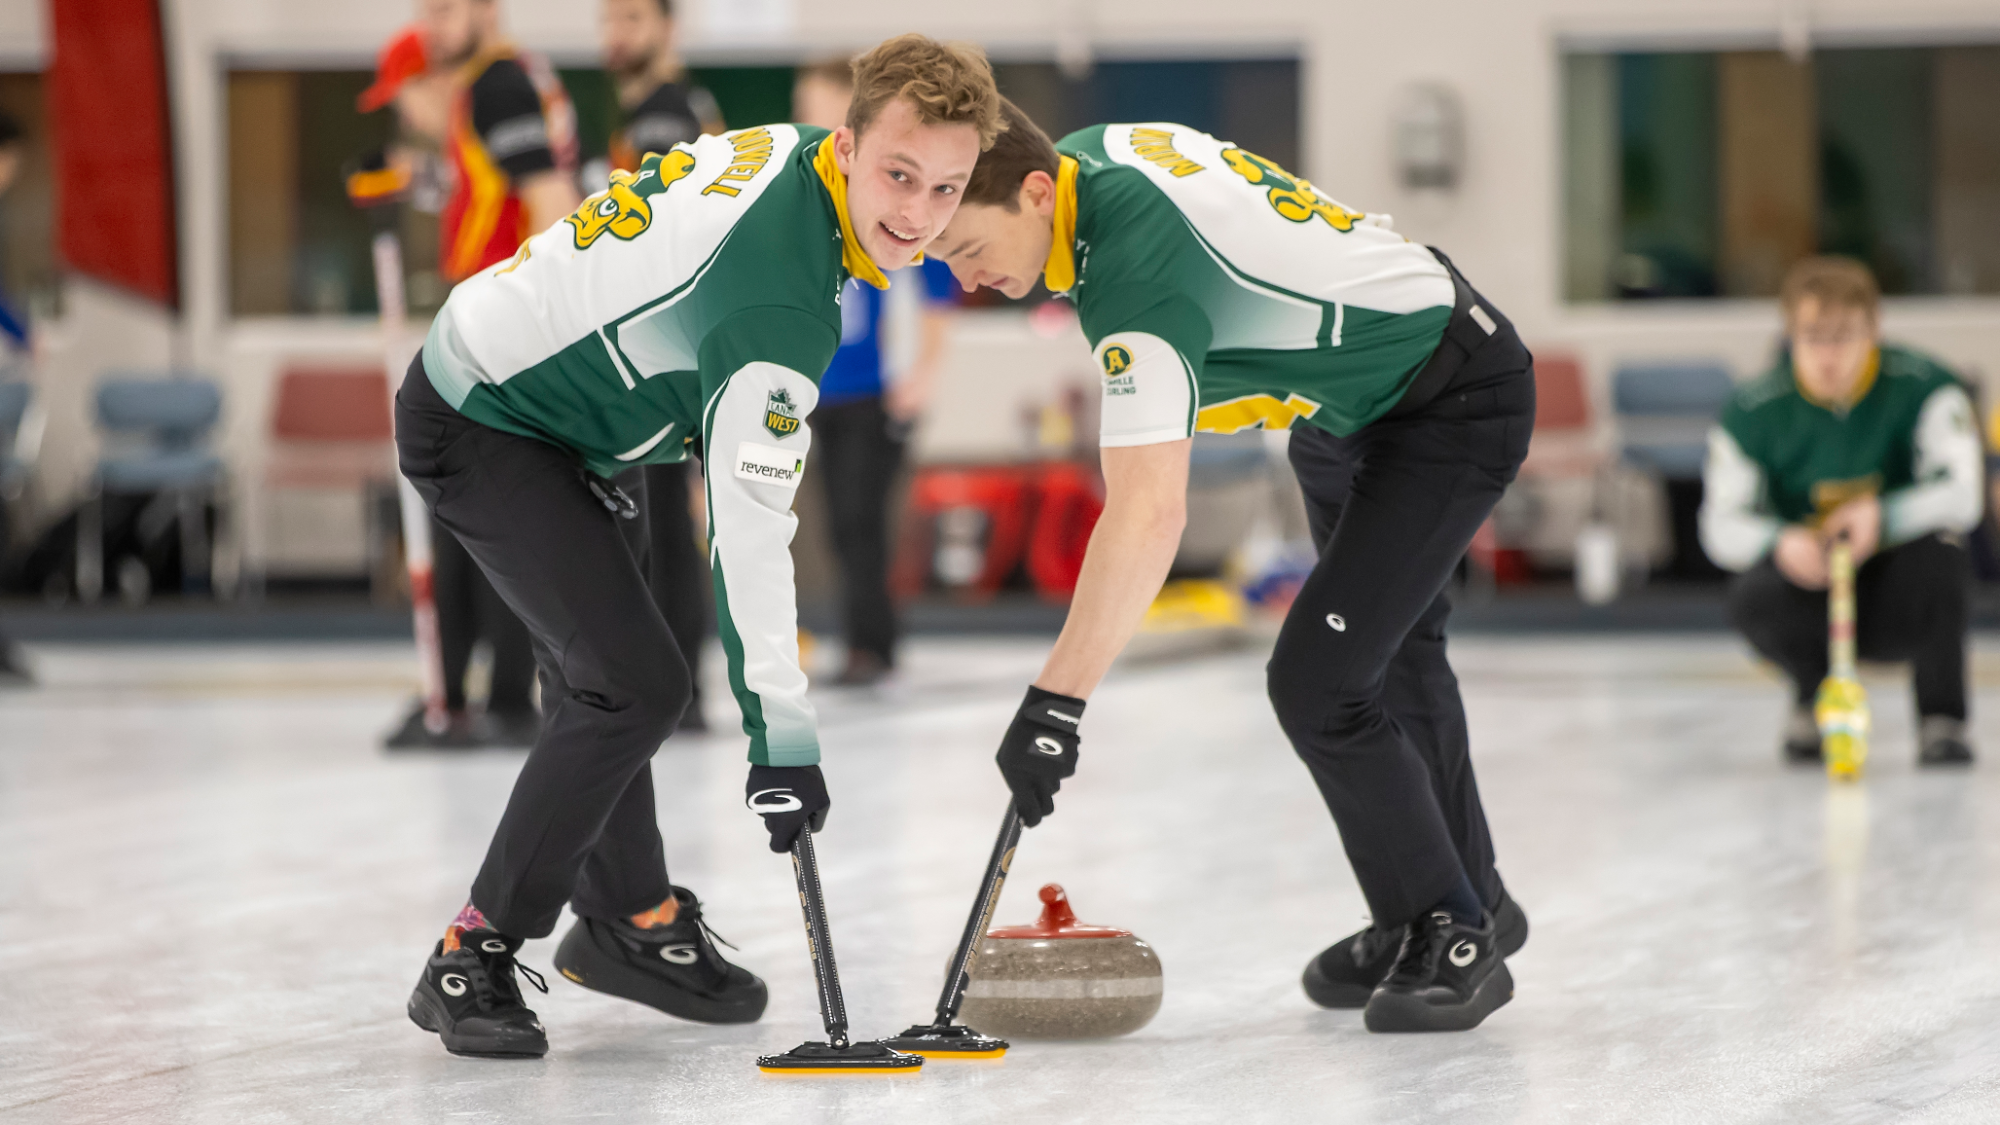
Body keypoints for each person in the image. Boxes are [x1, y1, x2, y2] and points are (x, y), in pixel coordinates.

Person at [395, 34, 1000, 1058]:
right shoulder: (782, 298)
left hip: (576, 411)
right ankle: (472, 952)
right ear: (848, 147)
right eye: (899, 175)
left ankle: (630, 922)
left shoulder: (797, 159)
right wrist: (784, 739)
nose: (917, 213)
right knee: (631, 683)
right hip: (490, 414)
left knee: (608, 670)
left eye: (945, 189)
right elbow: (749, 533)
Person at [927, 102, 1531, 1033]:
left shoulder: (1130, 275)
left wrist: (1056, 701)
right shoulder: (1091, 157)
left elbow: (1146, 511)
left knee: (1320, 684)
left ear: (1035, 192)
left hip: (1449, 398)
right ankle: (1450, 900)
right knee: (1393, 657)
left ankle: (1452, 932)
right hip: (1350, 407)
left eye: (966, 245)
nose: (960, 273)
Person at [371, 3, 583, 746]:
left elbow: (555, 212)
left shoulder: (498, 88)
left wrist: (549, 335)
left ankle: (497, 698)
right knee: (477, 511)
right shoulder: (497, 87)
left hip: (507, 334)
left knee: (481, 510)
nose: (432, 23)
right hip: (496, 322)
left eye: (447, 7)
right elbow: (490, 193)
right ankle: (485, 696)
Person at [1701, 256, 1980, 767]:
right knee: (1751, 594)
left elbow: (1965, 496)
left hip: (1898, 576)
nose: (1829, 355)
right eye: (1813, 336)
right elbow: (1719, 526)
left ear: (1874, 329)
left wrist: (1885, 517)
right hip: (1813, 579)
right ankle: (1812, 697)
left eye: (1844, 335)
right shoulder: (1753, 410)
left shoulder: (1926, 386)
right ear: (1789, 334)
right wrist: (1779, 541)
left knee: (1945, 551)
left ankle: (1943, 718)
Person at [793, 60, 961, 685]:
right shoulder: (808, 195)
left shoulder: (891, 191)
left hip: (876, 390)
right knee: (837, 521)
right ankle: (864, 641)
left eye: (820, 105)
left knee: (863, 520)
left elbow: (936, 290)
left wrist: (920, 375)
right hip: (822, 388)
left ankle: (874, 645)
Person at [600, 0, 723, 730]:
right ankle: (680, 689)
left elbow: (659, 233)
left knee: (665, 521)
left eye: (633, 19)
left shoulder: (665, 113)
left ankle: (678, 692)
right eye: (609, 19)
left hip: (662, 337)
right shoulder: (671, 106)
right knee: (666, 516)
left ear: (668, 30)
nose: (618, 34)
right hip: (672, 335)